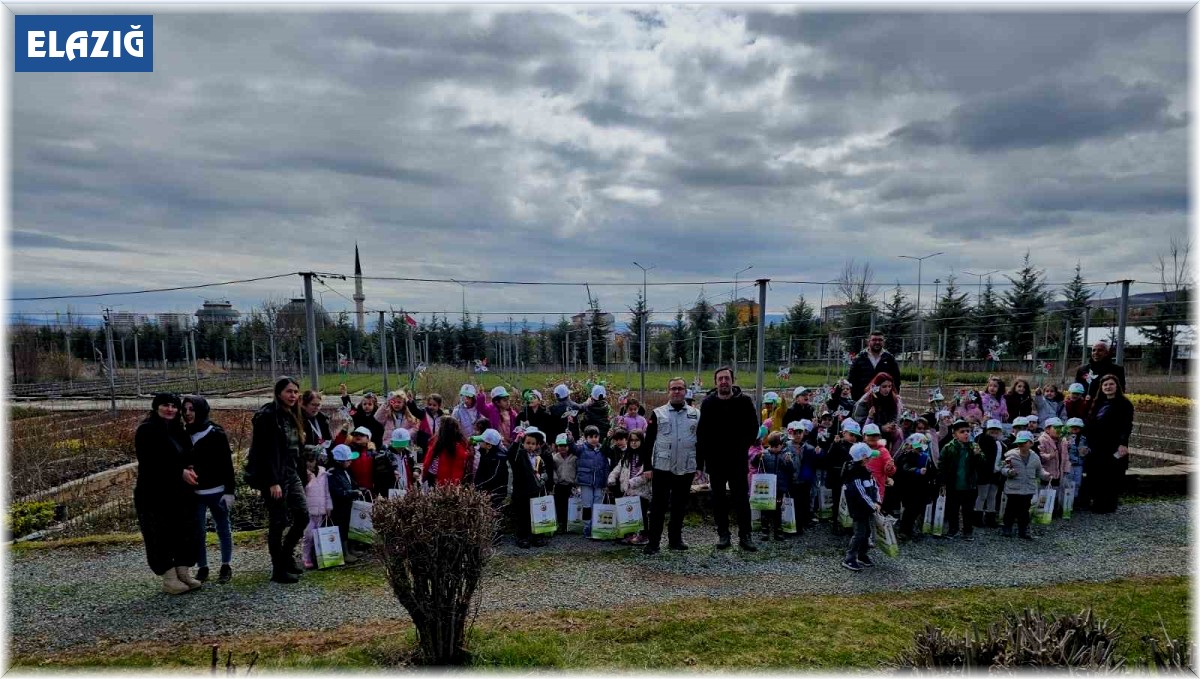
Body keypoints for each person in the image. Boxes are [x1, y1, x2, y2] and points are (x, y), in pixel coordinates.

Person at [134, 393, 201, 595]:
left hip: (179, 493)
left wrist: (189, 467)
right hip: (154, 493)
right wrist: (179, 472)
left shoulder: (177, 429)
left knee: (183, 531)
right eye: (165, 405)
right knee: (159, 535)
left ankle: (183, 572)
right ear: (156, 407)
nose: (170, 409)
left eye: (174, 406)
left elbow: (187, 454)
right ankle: (169, 578)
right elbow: (150, 462)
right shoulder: (147, 430)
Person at [245, 377, 310, 584]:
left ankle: (286, 554)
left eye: (296, 392)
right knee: (278, 521)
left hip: (291, 472)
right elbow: (265, 452)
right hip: (274, 475)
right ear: (279, 392)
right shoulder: (268, 416)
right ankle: (278, 569)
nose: (293, 395)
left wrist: (304, 470)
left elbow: (295, 449)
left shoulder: (292, 415)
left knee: (302, 516)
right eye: (289, 391)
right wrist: (273, 481)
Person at [696, 367, 760, 552]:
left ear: (733, 380)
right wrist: (703, 460)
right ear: (715, 382)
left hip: (737, 460)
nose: (723, 381)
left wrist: (740, 446)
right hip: (716, 461)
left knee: (741, 499)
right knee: (719, 499)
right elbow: (702, 433)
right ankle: (723, 535)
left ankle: (745, 535)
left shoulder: (745, 401)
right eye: (720, 379)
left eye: (726, 378)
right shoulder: (708, 403)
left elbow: (753, 428)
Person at [643, 377, 702, 555]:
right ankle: (653, 542)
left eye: (680, 389)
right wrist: (647, 466)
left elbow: (701, 442)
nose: (677, 392)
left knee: (679, 505)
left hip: (686, 466)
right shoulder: (658, 413)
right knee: (658, 506)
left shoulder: (696, 414)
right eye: (673, 389)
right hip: (662, 467)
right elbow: (649, 441)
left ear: (685, 391)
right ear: (668, 391)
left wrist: (700, 466)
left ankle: (675, 540)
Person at [183, 395, 235, 585]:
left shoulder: (215, 433)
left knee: (223, 528)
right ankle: (202, 566)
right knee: (198, 531)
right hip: (195, 493)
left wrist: (229, 490)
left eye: (192, 409)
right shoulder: (184, 434)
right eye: (185, 409)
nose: (188, 413)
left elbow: (226, 464)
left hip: (217, 490)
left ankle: (226, 564)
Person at [1083, 375, 1134, 513]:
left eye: (1111, 384)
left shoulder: (1124, 404)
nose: (1108, 387)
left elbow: (1126, 425)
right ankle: (1096, 501)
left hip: (1113, 444)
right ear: (1101, 388)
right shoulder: (1098, 402)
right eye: (1105, 385)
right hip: (1097, 444)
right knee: (1096, 473)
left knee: (1110, 474)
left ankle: (1107, 504)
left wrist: (1123, 443)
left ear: (1117, 386)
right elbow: (1090, 422)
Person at [937, 420, 985, 541]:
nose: (966, 434)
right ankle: (953, 529)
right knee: (952, 508)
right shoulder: (949, 447)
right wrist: (942, 480)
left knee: (968, 509)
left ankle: (968, 530)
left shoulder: (974, 446)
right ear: (954, 434)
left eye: (968, 431)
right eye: (962, 432)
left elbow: (982, 463)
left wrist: (978, 455)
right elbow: (941, 464)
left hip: (969, 484)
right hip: (953, 484)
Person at [1000, 431, 1049, 539]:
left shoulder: (1035, 457)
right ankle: (1007, 527)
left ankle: (1023, 530)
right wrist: (1008, 472)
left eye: (1024, 442)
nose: (1021, 444)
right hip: (1013, 488)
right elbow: (1002, 468)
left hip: (1028, 489)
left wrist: (1046, 475)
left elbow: (1039, 470)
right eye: (1019, 442)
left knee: (1024, 511)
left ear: (1031, 443)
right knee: (1010, 509)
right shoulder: (1010, 455)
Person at [608, 429, 652, 545]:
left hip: (641, 491)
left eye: (637, 440)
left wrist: (632, 482)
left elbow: (646, 476)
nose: (634, 443)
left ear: (642, 441)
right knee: (628, 514)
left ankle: (644, 535)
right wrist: (611, 478)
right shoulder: (626, 455)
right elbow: (618, 468)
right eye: (631, 440)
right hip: (628, 490)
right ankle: (630, 534)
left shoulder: (647, 457)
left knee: (642, 514)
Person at [841, 442, 880, 572]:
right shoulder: (854, 474)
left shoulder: (866, 471)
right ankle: (849, 558)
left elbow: (874, 487)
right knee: (859, 533)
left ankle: (862, 555)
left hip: (867, 508)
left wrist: (877, 501)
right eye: (869, 457)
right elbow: (860, 493)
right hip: (858, 509)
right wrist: (872, 505)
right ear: (863, 459)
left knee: (867, 532)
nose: (871, 459)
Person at [511, 427, 551, 549]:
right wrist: (516, 442)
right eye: (527, 443)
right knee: (522, 515)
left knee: (537, 514)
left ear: (537, 445)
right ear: (523, 443)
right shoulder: (519, 455)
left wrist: (542, 478)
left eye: (533, 444)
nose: (530, 446)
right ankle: (522, 537)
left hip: (535, 491)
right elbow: (511, 455)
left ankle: (537, 536)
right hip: (521, 492)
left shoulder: (539, 459)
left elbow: (545, 472)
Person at [894, 433, 936, 541]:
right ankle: (904, 531)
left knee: (918, 509)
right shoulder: (907, 455)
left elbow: (931, 471)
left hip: (922, 488)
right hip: (910, 488)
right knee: (909, 510)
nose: (919, 450)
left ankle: (913, 529)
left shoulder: (926, 456)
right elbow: (904, 468)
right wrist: (917, 471)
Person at [756, 431, 794, 541]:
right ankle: (765, 531)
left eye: (777, 446)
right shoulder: (765, 454)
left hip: (779, 488)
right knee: (765, 509)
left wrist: (788, 462)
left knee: (777, 508)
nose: (775, 448)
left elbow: (791, 471)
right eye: (772, 446)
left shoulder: (786, 454)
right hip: (767, 487)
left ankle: (778, 531)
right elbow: (755, 464)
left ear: (782, 445)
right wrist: (757, 457)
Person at [826, 419, 860, 535]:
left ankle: (847, 524)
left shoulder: (857, 446)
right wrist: (834, 444)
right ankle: (835, 523)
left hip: (850, 479)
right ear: (843, 433)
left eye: (855, 436)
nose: (853, 438)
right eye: (851, 435)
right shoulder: (838, 444)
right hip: (838, 478)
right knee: (837, 501)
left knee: (850, 501)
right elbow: (829, 457)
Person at [326, 444, 360, 564]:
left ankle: (350, 549)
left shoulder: (346, 471)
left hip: (347, 504)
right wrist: (352, 493)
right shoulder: (333, 473)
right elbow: (337, 492)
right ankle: (344, 552)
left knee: (348, 526)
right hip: (339, 506)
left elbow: (352, 483)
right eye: (348, 459)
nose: (350, 461)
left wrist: (358, 489)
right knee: (342, 528)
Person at [575, 425, 609, 538]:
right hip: (586, 482)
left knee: (598, 504)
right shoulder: (581, 448)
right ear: (586, 438)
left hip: (599, 482)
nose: (594, 439)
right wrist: (570, 438)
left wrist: (606, 481)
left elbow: (606, 466)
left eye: (596, 436)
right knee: (587, 505)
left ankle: (597, 526)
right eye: (591, 437)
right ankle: (587, 527)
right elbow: (573, 449)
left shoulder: (602, 449)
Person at [300, 447, 332, 570]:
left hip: (321, 508)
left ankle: (319, 556)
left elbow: (327, 491)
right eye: (307, 460)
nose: (310, 463)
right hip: (308, 510)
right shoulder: (302, 475)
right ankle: (306, 557)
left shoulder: (323, 472)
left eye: (312, 460)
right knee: (308, 535)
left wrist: (329, 505)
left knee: (320, 534)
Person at [852, 373, 903, 449]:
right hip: (869, 433)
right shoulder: (865, 401)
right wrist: (881, 428)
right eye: (884, 386)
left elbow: (895, 416)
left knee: (899, 433)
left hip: (887, 431)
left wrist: (892, 425)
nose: (887, 389)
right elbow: (861, 423)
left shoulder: (893, 400)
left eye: (890, 386)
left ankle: (894, 458)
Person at [848, 331, 901, 401]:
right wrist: (856, 399)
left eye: (880, 340)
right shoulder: (859, 358)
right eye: (874, 340)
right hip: (863, 400)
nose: (877, 342)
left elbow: (896, 380)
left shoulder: (889, 358)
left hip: (884, 400)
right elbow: (852, 380)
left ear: (883, 342)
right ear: (868, 342)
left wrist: (894, 397)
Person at [973, 419, 1006, 528]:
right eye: (992, 430)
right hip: (984, 472)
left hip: (996, 472)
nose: (994, 432)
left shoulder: (1001, 443)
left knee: (992, 495)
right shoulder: (982, 439)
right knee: (982, 495)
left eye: (997, 430)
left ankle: (990, 518)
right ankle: (977, 518)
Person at [422, 417, 471, 486]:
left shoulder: (456, 447)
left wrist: (453, 486)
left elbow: (457, 470)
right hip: (433, 477)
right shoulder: (436, 441)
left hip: (442, 481)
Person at [1038, 417, 1070, 512]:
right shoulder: (1042, 440)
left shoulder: (1062, 441)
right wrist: (1049, 456)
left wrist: (1066, 469)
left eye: (1060, 427)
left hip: (1059, 471)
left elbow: (1066, 456)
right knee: (1045, 491)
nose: (1058, 430)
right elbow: (1039, 455)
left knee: (1056, 490)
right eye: (1055, 427)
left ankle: (1054, 509)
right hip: (1047, 471)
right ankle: (1043, 511)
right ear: (1047, 429)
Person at [472, 429, 509, 510]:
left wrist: (479, 486)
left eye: (482, 440)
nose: (479, 442)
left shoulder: (499, 458)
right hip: (485, 491)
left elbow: (493, 476)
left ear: (489, 446)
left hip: (496, 493)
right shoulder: (485, 453)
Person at [550, 433, 578, 533]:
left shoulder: (574, 457)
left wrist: (576, 481)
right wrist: (555, 478)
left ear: (568, 446)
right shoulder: (554, 457)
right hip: (559, 485)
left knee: (570, 506)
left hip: (571, 485)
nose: (562, 448)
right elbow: (552, 470)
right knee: (559, 505)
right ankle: (561, 524)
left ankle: (569, 524)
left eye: (565, 445)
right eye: (560, 446)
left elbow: (578, 469)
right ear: (557, 446)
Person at [301, 390, 333, 460]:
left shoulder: (323, 419)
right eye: (313, 405)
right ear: (303, 405)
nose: (316, 408)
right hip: (308, 460)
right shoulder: (299, 420)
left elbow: (328, 440)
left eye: (318, 405)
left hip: (324, 457)